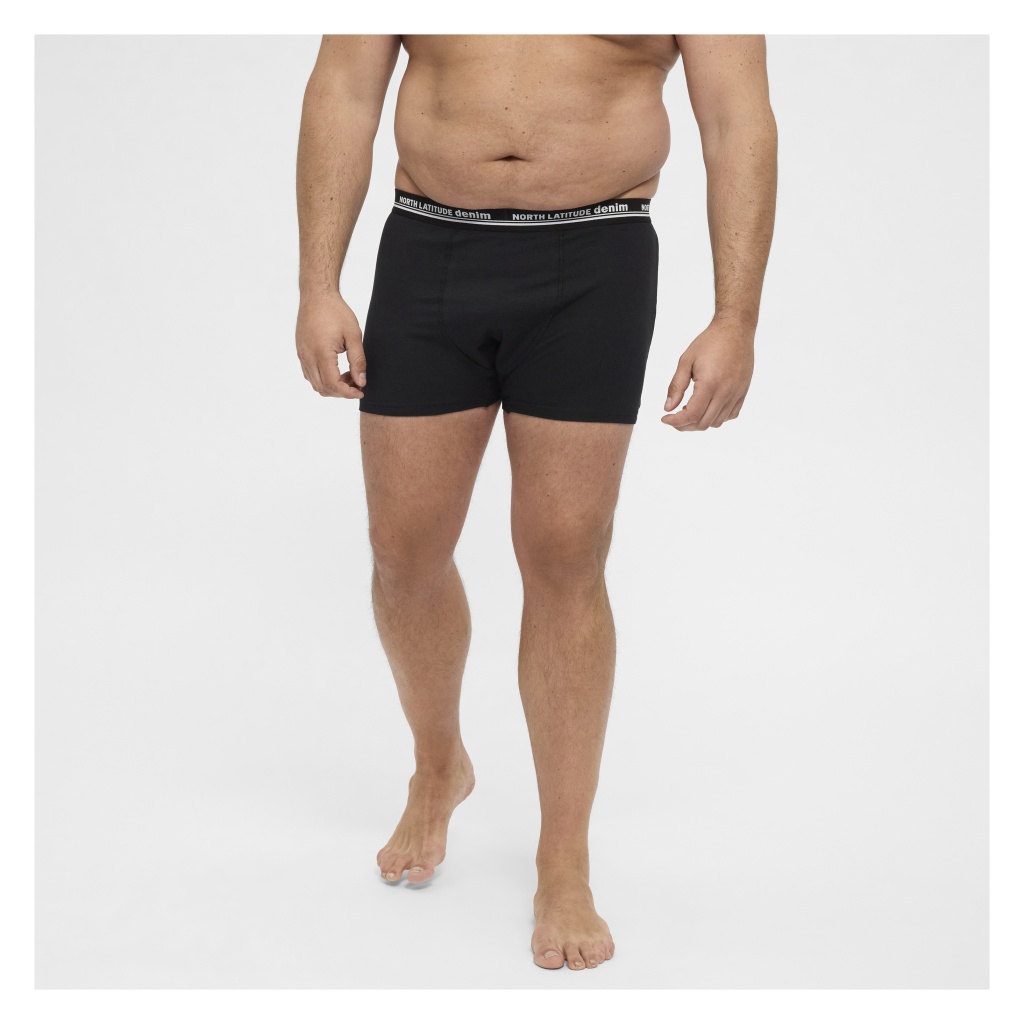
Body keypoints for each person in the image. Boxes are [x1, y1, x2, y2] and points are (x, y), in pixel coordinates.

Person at [295, 34, 777, 971]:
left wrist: (736, 317)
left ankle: (564, 858)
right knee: (403, 551)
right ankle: (440, 763)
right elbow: (344, 89)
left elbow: (738, 120)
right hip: (429, 246)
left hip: (595, 259)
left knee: (565, 555)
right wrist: (319, 283)